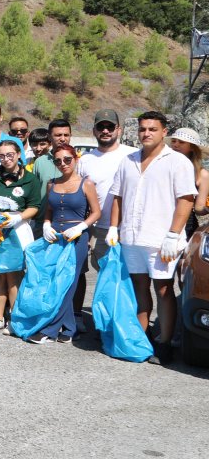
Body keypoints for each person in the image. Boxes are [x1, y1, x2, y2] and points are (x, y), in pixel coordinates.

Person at [107, 111, 197, 364]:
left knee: (164, 288)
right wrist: (114, 227)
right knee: (139, 287)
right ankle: (141, 337)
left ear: (163, 132)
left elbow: (186, 200)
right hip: (132, 238)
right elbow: (118, 196)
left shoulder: (177, 162)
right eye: (143, 129)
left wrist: (173, 234)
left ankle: (165, 341)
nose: (146, 133)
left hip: (161, 240)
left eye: (152, 129)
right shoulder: (128, 160)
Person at [75, 109, 136, 319]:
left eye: (110, 126)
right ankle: (107, 321)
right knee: (105, 276)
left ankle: (127, 320)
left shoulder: (133, 154)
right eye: (101, 126)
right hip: (99, 230)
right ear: (94, 130)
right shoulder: (85, 160)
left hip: (128, 228)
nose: (106, 130)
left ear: (119, 129)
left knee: (131, 278)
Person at [0, 139, 40, 334]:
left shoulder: (30, 179)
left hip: (16, 228)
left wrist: (18, 218)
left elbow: (34, 206)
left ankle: (15, 318)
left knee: (13, 275)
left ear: (18, 154)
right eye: (2, 156)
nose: (6, 159)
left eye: (10, 155)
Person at [39, 144, 100, 344]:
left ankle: (52, 328)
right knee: (55, 279)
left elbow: (96, 212)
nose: (63, 164)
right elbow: (49, 209)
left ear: (75, 159)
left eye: (67, 159)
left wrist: (82, 227)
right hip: (55, 235)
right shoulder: (52, 183)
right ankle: (70, 326)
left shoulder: (86, 184)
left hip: (76, 236)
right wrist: (47, 224)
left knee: (70, 280)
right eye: (58, 161)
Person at [168, 128, 209, 238]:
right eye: (173, 141)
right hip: (160, 218)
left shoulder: (202, 174)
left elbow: (199, 208)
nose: (176, 145)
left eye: (181, 142)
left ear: (192, 147)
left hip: (186, 225)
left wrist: (207, 208)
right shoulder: (162, 166)